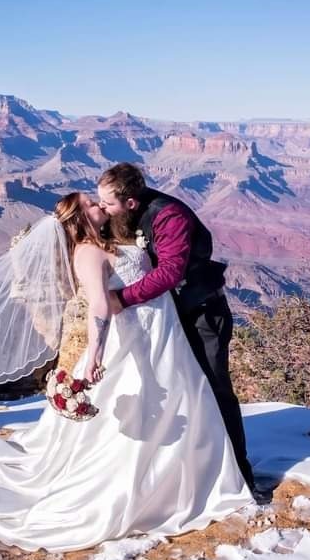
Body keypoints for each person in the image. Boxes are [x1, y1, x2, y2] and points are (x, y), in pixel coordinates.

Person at [0, 192, 253, 552]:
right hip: (136, 340)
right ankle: (155, 487)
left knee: (186, 395)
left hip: (162, 332)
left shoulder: (108, 238)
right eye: (90, 203)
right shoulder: (86, 253)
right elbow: (99, 305)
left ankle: (195, 473)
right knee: (148, 412)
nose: (98, 203)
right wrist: (94, 356)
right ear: (80, 218)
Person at [97, 163, 256, 492]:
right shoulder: (123, 214)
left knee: (214, 388)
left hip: (202, 314)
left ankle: (239, 474)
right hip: (167, 317)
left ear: (130, 203)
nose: (102, 209)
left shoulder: (169, 216)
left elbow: (170, 271)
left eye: (107, 204)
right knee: (178, 390)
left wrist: (123, 298)